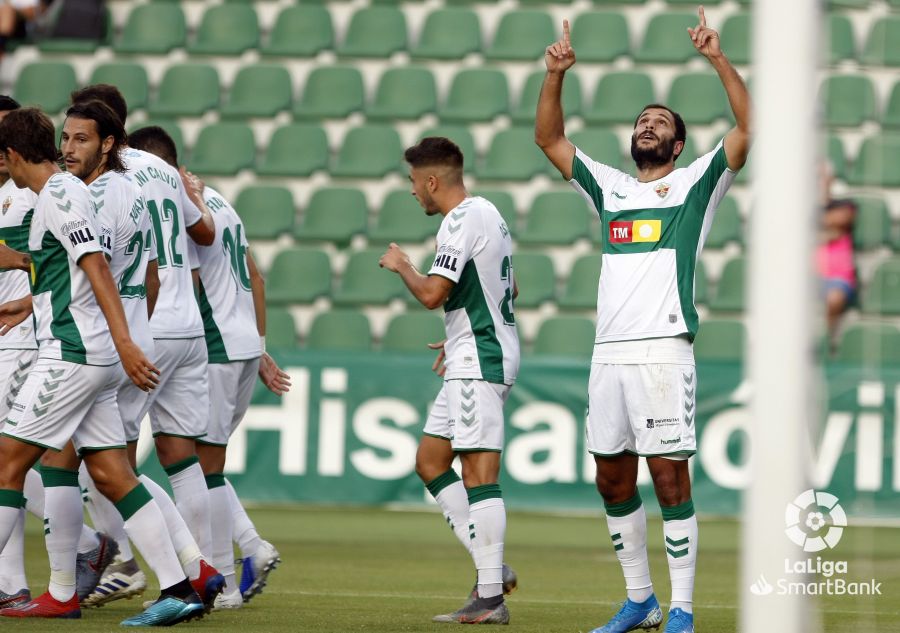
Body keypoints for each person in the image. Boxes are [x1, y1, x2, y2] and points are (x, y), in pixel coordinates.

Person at [535, 9, 750, 633]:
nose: (647, 126)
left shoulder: (695, 184)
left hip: (662, 351)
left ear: (677, 144)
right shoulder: (609, 188)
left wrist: (716, 58)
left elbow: (747, 127)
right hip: (609, 353)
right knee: (610, 476)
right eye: (641, 121)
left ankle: (683, 608)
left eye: (659, 123)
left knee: (668, 477)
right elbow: (549, 140)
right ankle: (641, 600)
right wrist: (555, 75)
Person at [0, 106, 204, 625]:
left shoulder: (63, 195)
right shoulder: (69, 191)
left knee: (7, 462)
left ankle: (51, 588)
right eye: (65, 138)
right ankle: (177, 588)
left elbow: (95, 267)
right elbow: (75, 270)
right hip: (94, 350)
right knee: (113, 473)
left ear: (12, 156)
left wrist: (125, 342)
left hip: (74, 352)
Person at [62, 85, 226, 612]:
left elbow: (102, 267)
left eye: (78, 134)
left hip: (133, 330)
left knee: (109, 466)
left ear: (105, 135)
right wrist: (194, 196)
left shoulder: (97, 185)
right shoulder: (162, 170)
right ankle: (201, 568)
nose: (70, 144)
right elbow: (205, 232)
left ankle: (133, 566)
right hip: (183, 325)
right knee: (181, 462)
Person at [128, 124, 291, 608]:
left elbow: (190, 281)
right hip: (239, 342)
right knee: (205, 463)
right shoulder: (218, 200)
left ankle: (220, 582)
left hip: (210, 341)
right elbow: (255, 277)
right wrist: (259, 346)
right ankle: (248, 551)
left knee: (202, 466)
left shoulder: (170, 202)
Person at [379, 137, 520, 625]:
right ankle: (492, 568)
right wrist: (460, 331)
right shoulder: (490, 213)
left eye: (415, 183)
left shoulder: (458, 221)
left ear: (432, 181)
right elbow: (509, 285)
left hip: (479, 356)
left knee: (479, 473)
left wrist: (403, 267)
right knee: (432, 461)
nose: (413, 192)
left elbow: (432, 294)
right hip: (474, 348)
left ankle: (489, 598)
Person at [817, 165, 856, 348]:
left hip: (838, 279)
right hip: (813, 278)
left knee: (834, 298)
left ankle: (828, 343)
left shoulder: (845, 206)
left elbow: (840, 219)